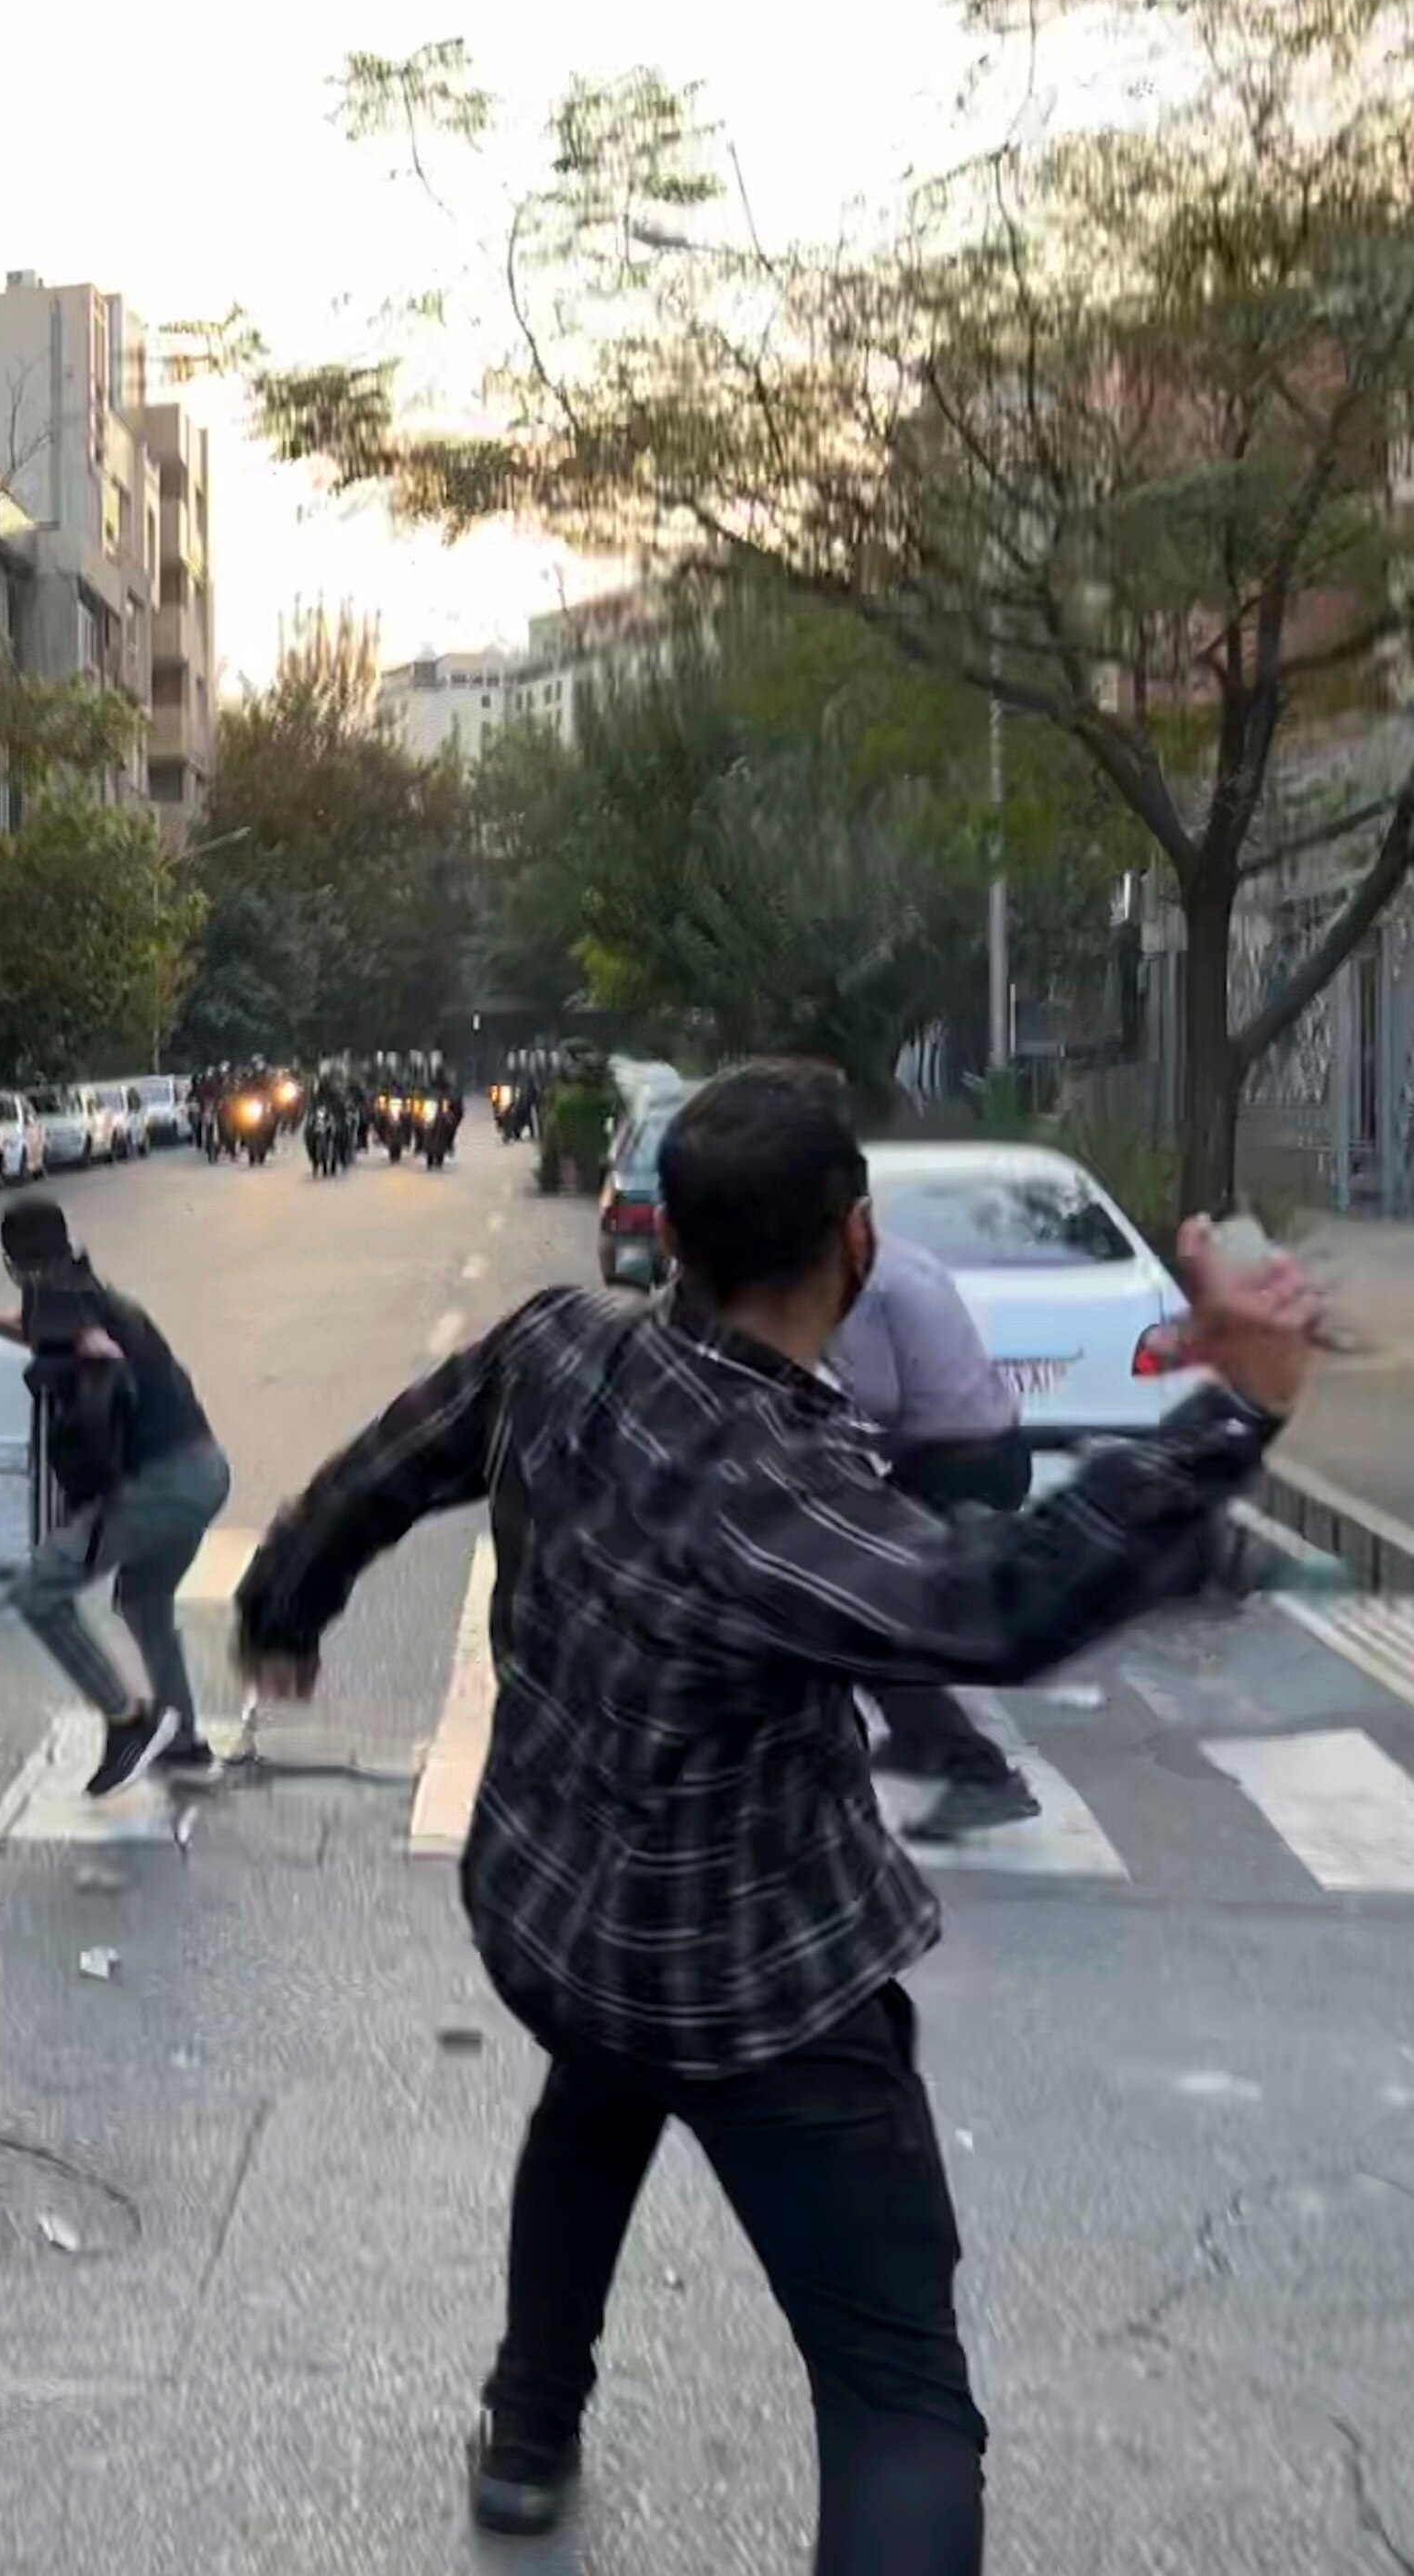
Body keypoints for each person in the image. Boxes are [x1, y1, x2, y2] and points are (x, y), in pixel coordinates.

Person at [232, 1063, 1314, 2569]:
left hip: (553, 1920)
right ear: (856, 1242)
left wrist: (285, 1601)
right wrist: (1233, 1410)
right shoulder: (783, 1485)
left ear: (668, 1236)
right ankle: (531, 2428)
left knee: (594, 2099)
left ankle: (528, 2436)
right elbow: (996, 1599)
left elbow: (386, 1462)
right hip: (764, 1991)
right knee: (897, 2395)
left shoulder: (556, 1346)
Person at [0, 1194, 234, 1796]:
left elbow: (93, 1348)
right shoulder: (77, 1291)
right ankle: (183, 1745)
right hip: (205, 1473)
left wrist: (99, 1380)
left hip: (160, 1484)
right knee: (143, 1603)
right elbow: (43, 1334)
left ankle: (127, 1722)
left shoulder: (67, 1305)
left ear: (13, 1264)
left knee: (37, 1592)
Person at [825, 1225, 1043, 1840]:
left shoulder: (858, 1284)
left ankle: (976, 1773)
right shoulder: (903, 1257)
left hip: (957, 1465)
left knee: (866, 1617)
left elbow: (878, 1398)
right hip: (993, 1451)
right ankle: (922, 1741)